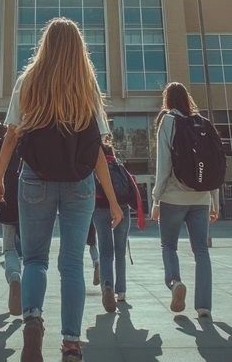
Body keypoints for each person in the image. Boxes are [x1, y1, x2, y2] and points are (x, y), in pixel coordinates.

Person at [0, 17, 124, 362]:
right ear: (79, 48)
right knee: (72, 263)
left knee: (34, 258)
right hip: (79, 183)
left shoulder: (28, 80)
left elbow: (11, 136)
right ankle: (71, 343)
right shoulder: (86, 85)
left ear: (45, 44)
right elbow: (97, 149)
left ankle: (32, 320)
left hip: (34, 178)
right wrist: (113, 201)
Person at [151, 82, 219, 320]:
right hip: (201, 198)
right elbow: (213, 165)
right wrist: (214, 201)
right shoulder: (204, 123)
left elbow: (163, 164)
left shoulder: (168, 121)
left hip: (173, 196)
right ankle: (204, 307)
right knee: (201, 250)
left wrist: (156, 199)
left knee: (168, 246)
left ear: (167, 100)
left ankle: (175, 282)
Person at [91, 139, 144, 312]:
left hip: (100, 209)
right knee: (120, 252)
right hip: (122, 209)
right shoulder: (119, 166)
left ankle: (107, 286)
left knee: (105, 251)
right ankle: (121, 292)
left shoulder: (94, 167)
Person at [0, 129, 23, 316]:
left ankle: (14, 276)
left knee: (9, 249)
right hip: (30, 202)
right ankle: (30, 301)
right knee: (31, 254)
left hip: (7, 201)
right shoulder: (27, 142)